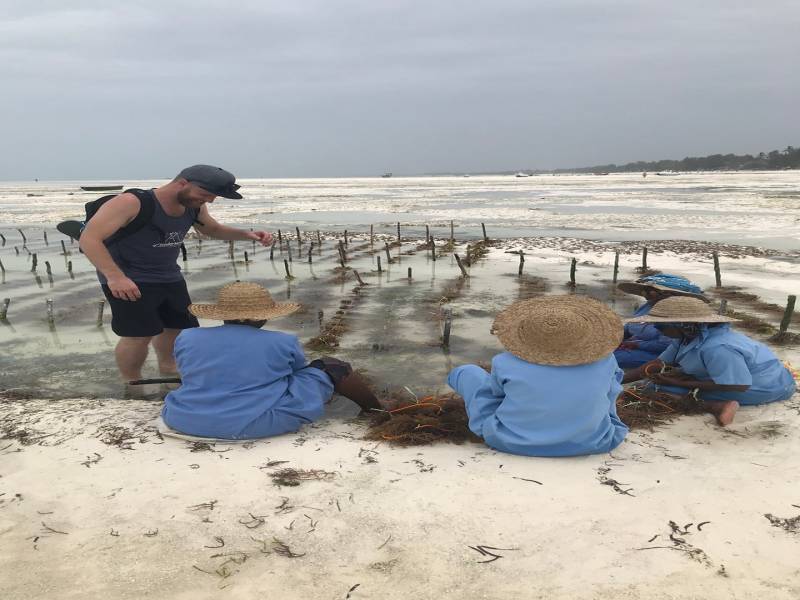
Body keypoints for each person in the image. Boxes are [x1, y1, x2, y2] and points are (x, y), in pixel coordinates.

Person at [78, 165, 273, 381]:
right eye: (205, 194)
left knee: (177, 328)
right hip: (128, 279)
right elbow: (89, 239)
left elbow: (211, 229)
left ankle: (168, 368)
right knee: (138, 335)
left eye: (214, 196)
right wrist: (115, 277)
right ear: (182, 183)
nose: (210, 200)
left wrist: (247, 234)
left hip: (169, 275)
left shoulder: (193, 206)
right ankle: (132, 381)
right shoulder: (131, 202)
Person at [162, 282, 381, 440]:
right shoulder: (282, 341)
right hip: (252, 424)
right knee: (333, 367)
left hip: (182, 418)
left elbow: (188, 369)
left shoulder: (188, 336)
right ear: (264, 316)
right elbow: (296, 373)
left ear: (222, 314)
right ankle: (377, 410)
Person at [447, 295, 628, 457]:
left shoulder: (504, 362)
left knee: (467, 372)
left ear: (525, 334)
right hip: (597, 441)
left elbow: (494, 396)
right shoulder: (606, 360)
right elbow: (610, 394)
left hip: (509, 441)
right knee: (607, 387)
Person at [623, 296, 797, 426]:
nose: (656, 328)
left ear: (682, 325)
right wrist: (618, 379)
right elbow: (657, 365)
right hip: (769, 376)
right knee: (654, 382)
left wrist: (680, 382)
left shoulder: (717, 347)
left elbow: (739, 385)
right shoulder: (686, 338)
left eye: (660, 326)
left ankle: (717, 406)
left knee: (656, 388)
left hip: (769, 386)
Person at [614, 274, 708, 369]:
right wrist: (618, 340)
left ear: (669, 295)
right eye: (644, 292)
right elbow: (628, 327)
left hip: (657, 353)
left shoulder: (678, 315)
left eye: (650, 292)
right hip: (632, 346)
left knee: (615, 358)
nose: (646, 296)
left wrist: (637, 344)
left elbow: (667, 344)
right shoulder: (647, 306)